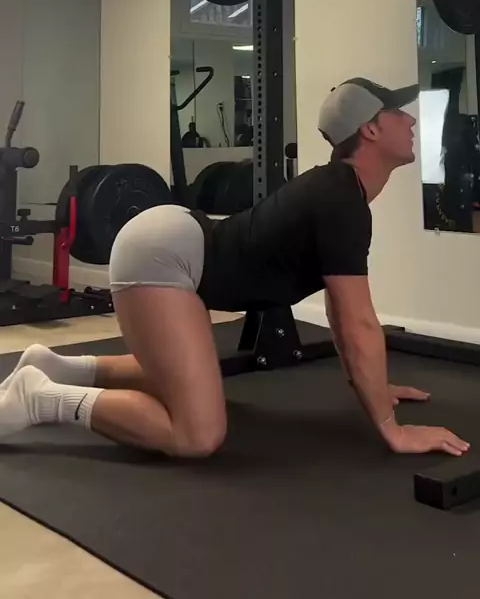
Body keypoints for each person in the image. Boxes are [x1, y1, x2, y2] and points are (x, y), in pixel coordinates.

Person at [0, 77, 470, 460]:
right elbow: (357, 322)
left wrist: (374, 388)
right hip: (165, 256)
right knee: (197, 433)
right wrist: (392, 430)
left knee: (188, 377)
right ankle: (38, 398)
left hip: (178, 244)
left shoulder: (341, 192)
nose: (411, 120)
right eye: (397, 112)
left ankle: (57, 366)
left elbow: (341, 313)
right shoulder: (341, 199)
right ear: (370, 130)